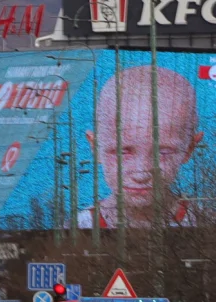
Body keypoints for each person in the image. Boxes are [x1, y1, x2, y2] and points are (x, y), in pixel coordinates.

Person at [80, 65, 205, 229]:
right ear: (96, 147)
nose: (141, 173)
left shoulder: (205, 222)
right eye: (122, 152)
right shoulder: (78, 227)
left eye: (163, 152)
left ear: (188, 149)